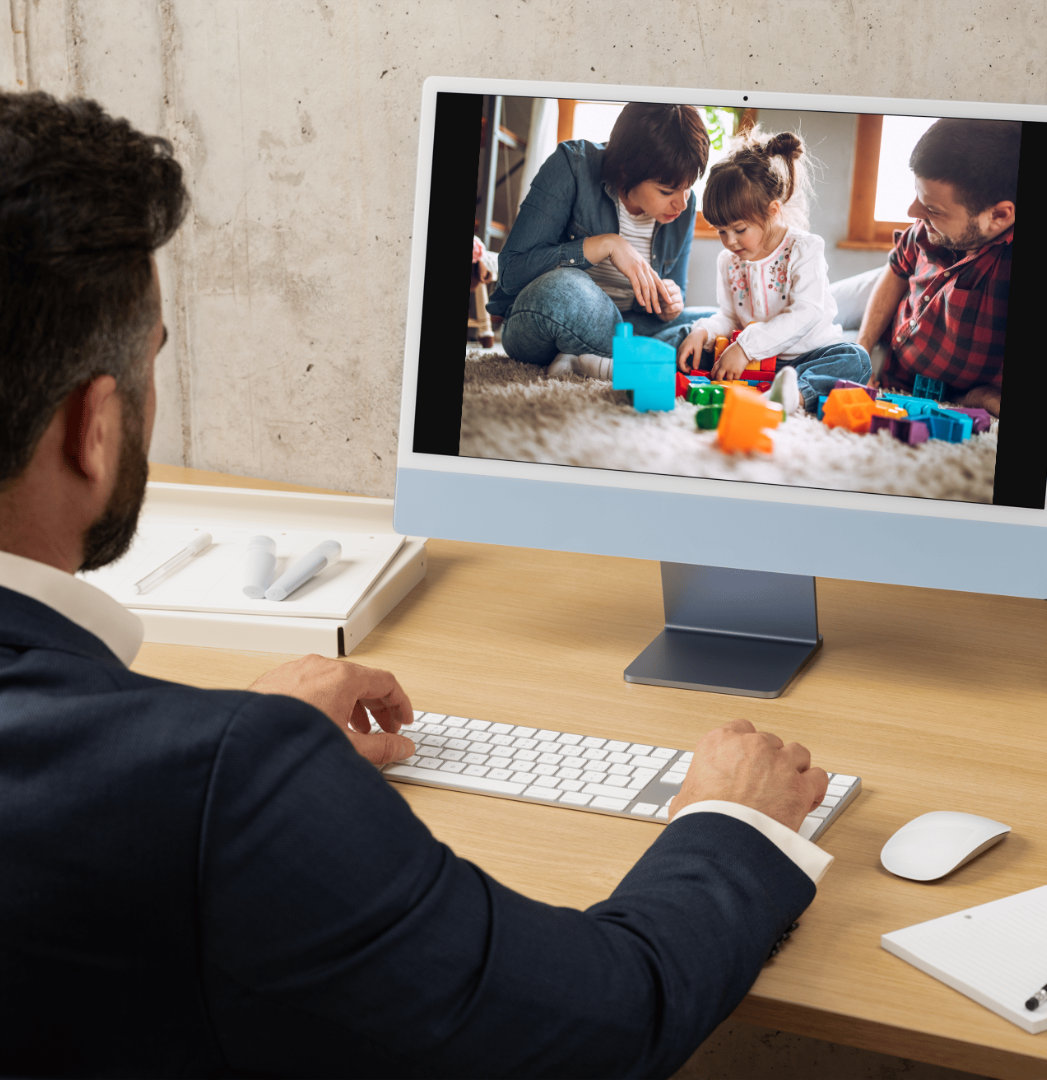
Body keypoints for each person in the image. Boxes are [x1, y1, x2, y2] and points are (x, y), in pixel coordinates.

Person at [0, 90, 832, 1078]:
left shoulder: (186, 774)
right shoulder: (234, 788)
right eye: (154, 360)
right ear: (93, 429)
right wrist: (730, 823)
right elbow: (600, 1024)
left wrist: (214, 755)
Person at [486, 101, 716, 381]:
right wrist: (607, 244)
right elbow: (511, 273)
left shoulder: (683, 207)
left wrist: (671, 305)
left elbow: (674, 290)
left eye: (689, 187)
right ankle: (648, 358)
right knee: (565, 290)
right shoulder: (572, 164)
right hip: (553, 314)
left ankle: (591, 361)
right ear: (625, 171)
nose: (681, 203)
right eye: (667, 190)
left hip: (631, 325)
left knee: (716, 323)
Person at [676, 128, 871, 416]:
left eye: (739, 229)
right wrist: (703, 332)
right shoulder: (728, 261)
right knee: (688, 335)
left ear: (773, 211)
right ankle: (637, 368)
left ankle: (793, 394)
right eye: (721, 231)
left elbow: (807, 312)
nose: (730, 241)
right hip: (754, 361)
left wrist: (745, 348)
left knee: (856, 359)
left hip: (808, 357)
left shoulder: (804, 249)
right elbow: (728, 316)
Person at [857, 118, 1019, 417]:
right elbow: (895, 271)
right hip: (888, 323)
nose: (912, 212)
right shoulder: (925, 228)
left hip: (939, 388)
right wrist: (862, 350)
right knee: (817, 320)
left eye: (932, 208)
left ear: (999, 215)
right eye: (919, 197)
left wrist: (980, 396)